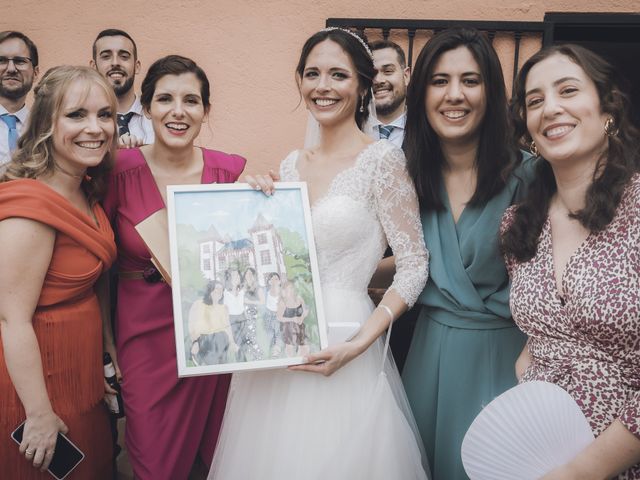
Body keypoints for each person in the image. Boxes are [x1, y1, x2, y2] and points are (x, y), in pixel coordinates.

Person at [209, 27, 430, 480]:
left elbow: (414, 265)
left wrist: (360, 342)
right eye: (312, 74)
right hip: (277, 347)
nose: (322, 86)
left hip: (347, 338)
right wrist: (251, 202)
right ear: (299, 81)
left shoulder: (384, 162)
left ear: (363, 85)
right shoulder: (291, 164)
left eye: (338, 75)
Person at [399, 27, 535, 480]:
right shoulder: (408, 177)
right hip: (427, 355)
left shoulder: (533, 178)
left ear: (491, 91)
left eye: (470, 81)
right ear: (420, 94)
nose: (454, 95)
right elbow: (409, 260)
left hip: (509, 357)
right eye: (439, 81)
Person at [103, 54, 246, 480]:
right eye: (165, 99)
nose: (178, 111)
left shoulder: (229, 172)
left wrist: (264, 195)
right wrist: (106, 341)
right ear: (146, 108)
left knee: (216, 454)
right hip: (143, 336)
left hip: (213, 338)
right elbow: (100, 265)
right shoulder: (118, 170)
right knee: (153, 458)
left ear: (206, 111)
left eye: (191, 100)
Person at [501, 44, 640, 479]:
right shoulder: (519, 223)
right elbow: (539, 333)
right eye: (535, 100)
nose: (551, 109)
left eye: (568, 90)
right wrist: (529, 368)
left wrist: (584, 470)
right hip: (543, 455)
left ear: (607, 107)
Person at [0, 65, 118, 479]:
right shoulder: (30, 205)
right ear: (46, 122)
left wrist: (105, 357)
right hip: (39, 382)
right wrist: (38, 413)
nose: (96, 127)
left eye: (105, 114)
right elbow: (11, 319)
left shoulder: (84, 186)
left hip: (80, 367)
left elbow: (94, 282)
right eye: (77, 115)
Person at [91, 29, 154, 148]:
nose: (115, 62)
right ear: (93, 67)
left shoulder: (158, 116)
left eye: (124, 56)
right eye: (106, 56)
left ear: (137, 66)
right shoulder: (83, 121)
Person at [0, 30, 39, 166]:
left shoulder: (44, 129)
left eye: (20, 61)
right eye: (1, 60)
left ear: (36, 72)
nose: (11, 69)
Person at [369, 39, 410, 147]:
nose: (378, 80)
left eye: (388, 71)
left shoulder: (428, 129)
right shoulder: (350, 129)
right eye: (371, 73)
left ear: (406, 76)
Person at [189, 280, 238, 366]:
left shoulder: (224, 308)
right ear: (210, 289)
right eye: (217, 289)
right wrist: (195, 341)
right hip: (204, 339)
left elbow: (227, 327)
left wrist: (232, 342)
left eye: (222, 290)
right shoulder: (198, 304)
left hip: (220, 339)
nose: (219, 292)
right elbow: (191, 325)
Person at [223, 268, 263, 362]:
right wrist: (231, 340)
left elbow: (251, 286)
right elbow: (225, 319)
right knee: (239, 350)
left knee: (249, 347)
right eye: (235, 275)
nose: (238, 277)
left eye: (238, 275)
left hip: (244, 321)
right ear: (229, 279)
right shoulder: (226, 294)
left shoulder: (242, 291)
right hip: (233, 323)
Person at [276, 280, 309, 357]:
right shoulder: (283, 302)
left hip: (300, 325)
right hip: (288, 328)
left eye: (291, 288)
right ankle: (291, 362)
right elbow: (279, 317)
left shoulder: (299, 299)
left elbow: (306, 310)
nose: (290, 291)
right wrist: (292, 319)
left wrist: (302, 317)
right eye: (287, 289)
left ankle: (300, 361)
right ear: (284, 290)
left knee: (305, 348)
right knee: (290, 348)